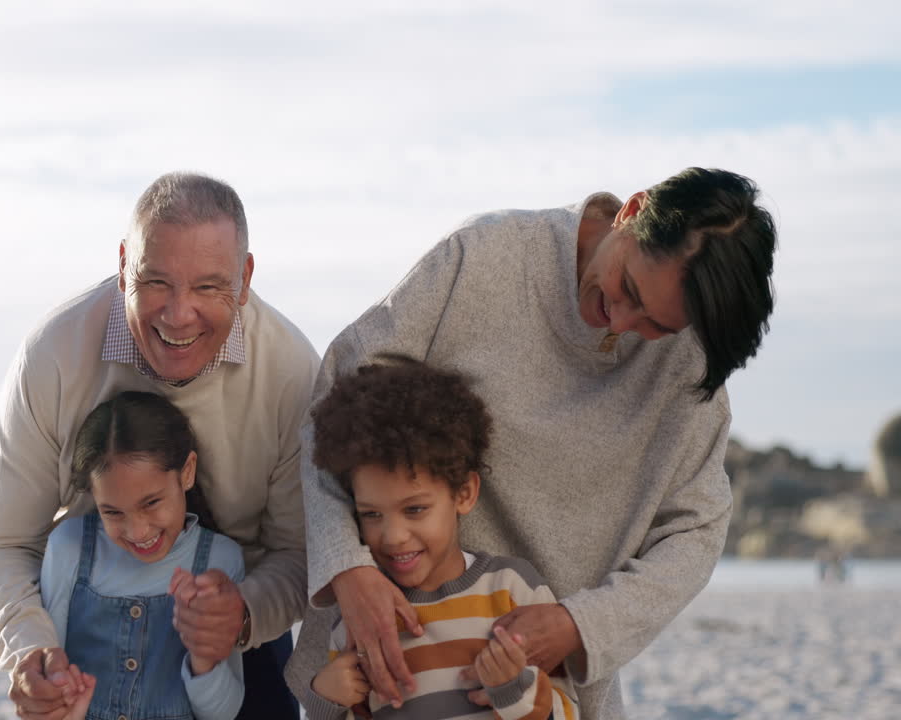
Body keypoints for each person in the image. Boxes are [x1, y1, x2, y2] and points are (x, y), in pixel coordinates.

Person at [301, 167, 778, 719]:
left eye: (657, 325)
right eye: (629, 288)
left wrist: (581, 625)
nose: (621, 322)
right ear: (633, 210)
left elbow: (695, 531)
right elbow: (337, 398)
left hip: (545, 693)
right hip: (387, 656)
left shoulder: (690, 363)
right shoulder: (485, 257)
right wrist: (348, 566)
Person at [0, 172, 320, 719]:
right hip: (87, 637)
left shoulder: (292, 373)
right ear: (122, 265)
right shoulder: (53, 356)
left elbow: (299, 554)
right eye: (156, 281)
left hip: (241, 624)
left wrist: (242, 615)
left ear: (245, 277)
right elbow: (4, 543)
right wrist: (32, 653)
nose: (178, 315)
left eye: (208, 286)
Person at [285, 359, 580, 720]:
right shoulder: (358, 621)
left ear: (465, 493)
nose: (392, 537)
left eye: (415, 510)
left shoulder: (512, 589)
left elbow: (569, 713)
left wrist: (512, 690)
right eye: (371, 514)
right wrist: (325, 702)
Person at [40, 391, 244, 720]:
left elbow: (222, 713)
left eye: (151, 503)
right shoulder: (69, 546)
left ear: (187, 471)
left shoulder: (219, 561)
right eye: (113, 512)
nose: (137, 532)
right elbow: (50, 679)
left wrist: (203, 657)